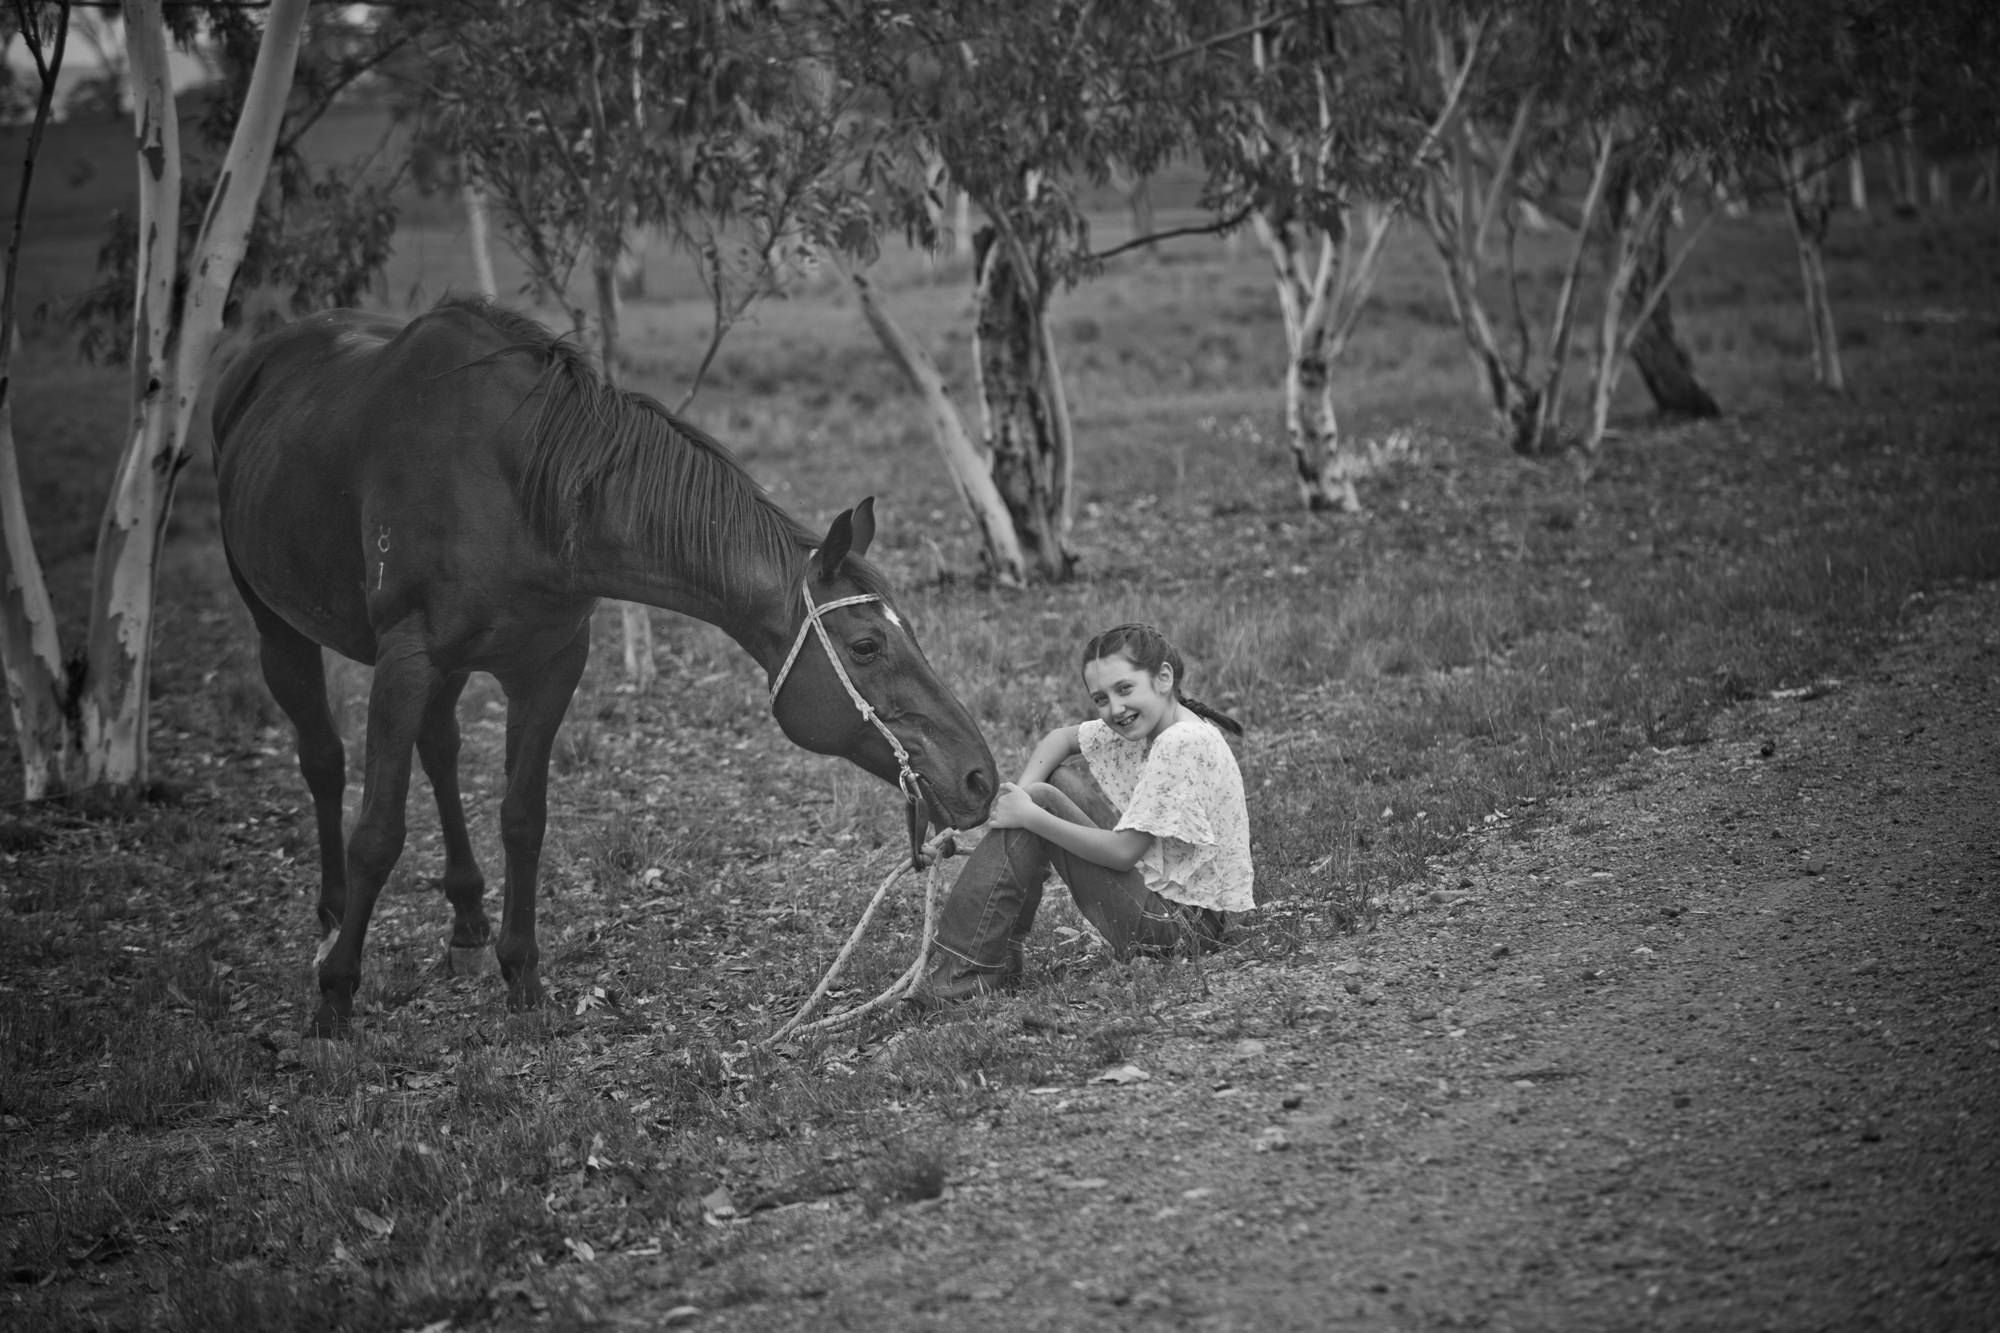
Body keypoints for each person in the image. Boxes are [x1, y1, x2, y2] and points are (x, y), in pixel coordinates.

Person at [909, 622, 1254, 1007]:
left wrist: (1030, 815)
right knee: (1049, 785)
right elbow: (1059, 739)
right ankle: (999, 952)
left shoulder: (1180, 743)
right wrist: (1018, 799)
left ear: (1163, 678)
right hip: (1187, 912)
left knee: (1041, 802)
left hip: (1179, 929)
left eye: (1125, 689)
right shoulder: (1168, 719)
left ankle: (965, 973)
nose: (1115, 708)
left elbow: (1122, 854)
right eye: (1101, 698)